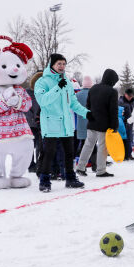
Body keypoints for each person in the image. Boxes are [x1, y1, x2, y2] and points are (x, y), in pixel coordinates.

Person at [35, 53, 91, 192]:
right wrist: (57, 88)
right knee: (49, 153)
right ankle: (44, 181)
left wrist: (86, 113)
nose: (62, 66)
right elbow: (43, 101)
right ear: (52, 64)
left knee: (69, 153)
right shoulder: (43, 81)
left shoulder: (67, 82)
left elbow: (73, 102)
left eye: (64, 64)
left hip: (66, 123)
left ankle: (70, 178)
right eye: (59, 63)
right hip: (51, 123)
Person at [76, 69, 119, 177]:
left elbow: (88, 105)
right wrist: (114, 126)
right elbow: (113, 111)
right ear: (112, 80)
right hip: (104, 125)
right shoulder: (112, 92)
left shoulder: (93, 88)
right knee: (102, 147)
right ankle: (101, 170)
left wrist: (92, 116)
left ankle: (80, 167)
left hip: (92, 122)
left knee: (88, 145)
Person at [25, 71, 43, 173]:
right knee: (31, 146)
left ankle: (39, 164)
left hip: (40, 123)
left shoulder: (43, 92)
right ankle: (30, 165)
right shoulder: (27, 92)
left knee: (40, 146)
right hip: (30, 124)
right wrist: (32, 119)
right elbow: (26, 108)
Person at [119, 89, 134, 160]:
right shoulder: (120, 102)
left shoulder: (133, 102)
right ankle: (122, 155)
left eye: (131, 96)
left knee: (129, 139)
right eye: (129, 96)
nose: (130, 97)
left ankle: (129, 154)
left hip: (130, 123)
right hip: (122, 123)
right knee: (122, 140)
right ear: (125, 94)